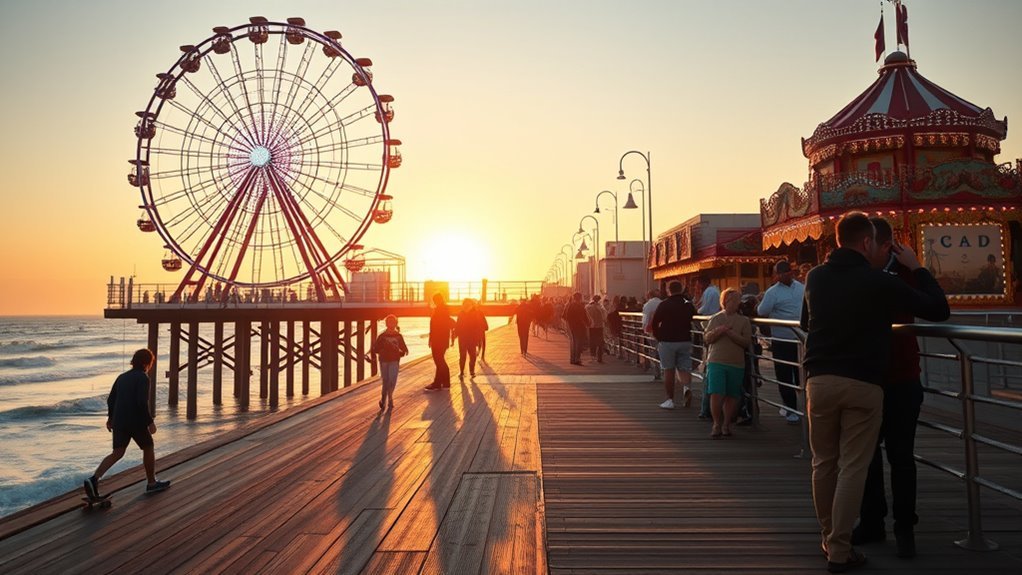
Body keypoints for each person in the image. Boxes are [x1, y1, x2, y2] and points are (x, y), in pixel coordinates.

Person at [800, 211, 949, 573]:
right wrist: (917, 267)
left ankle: (830, 536)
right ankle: (840, 547)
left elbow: (806, 323)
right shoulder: (877, 281)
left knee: (823, 463)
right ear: (867, 242)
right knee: (854, 465)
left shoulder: (815, 277)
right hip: (864, 382)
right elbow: (937, 309)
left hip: (819, 381)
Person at [853, 218, 928, 558]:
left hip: (899, 377)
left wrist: (916, 267)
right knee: (868, 458)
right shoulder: (855, 276)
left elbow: (935, 307)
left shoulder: (901, 275)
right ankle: (873, 520)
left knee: (901, 457)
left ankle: (904, 526)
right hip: (870, 378)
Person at [84, 348, 170, 500]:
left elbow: (111, 399)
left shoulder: (121, 377)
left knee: (117, 452)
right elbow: (141, 403)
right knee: (148, 447)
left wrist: (110, 418)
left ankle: (94, 479)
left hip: (119, 420)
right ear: (146, 363)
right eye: (150, 363)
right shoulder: (143, 377)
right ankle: (151, 483)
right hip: (135, 420)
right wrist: (150, 422)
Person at [758, 260, 805, 424]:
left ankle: (803, 407)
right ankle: (791, 408)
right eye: (780, 273)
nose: (784, 275)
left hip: (800, 338)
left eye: (787, 272)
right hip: (782, 339)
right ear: (777, 275)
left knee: (801, 375)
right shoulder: (773, 292)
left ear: (791, 273)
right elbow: (762, 311)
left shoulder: (802, 287)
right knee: (784, 375)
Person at [703, 288, 751, 438]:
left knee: (732, 395)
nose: (737, 303)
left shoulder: (744, 321)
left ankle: (726, 424)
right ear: (725, 301)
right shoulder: (716, 318)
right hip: (717, 360)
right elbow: (707, 338)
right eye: (733, 300)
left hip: (736, 362)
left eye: (738, 300)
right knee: (716, 393)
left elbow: (746, 342)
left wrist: (730, 333)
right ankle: (717, 423)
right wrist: (719, 331)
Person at [650, 281, 696, 410]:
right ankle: (687, 388)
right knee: (684, 368)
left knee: (668, 369)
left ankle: (670, 400)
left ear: (668, 290)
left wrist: (659, 337)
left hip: (667, 341)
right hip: (685, 339)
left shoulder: (664, 304)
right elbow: (695, 317)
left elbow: (654, 323)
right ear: (681, 289)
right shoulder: (688, 304)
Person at [370, 314, 409, 410]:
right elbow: (375, 348)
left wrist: (401, 352)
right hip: (384, 360)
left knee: (392, 381)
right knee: (385, 381)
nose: (391, 324)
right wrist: (381, 349)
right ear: (386, 324)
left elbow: (404, 349)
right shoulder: (382, 336)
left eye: (393, 322)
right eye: (389, 322)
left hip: (394, 360)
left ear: (396, 323)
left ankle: (390, 397)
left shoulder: (398, 336)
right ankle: (383, 400)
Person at [424, 293, 455, 391]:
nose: (435, 302)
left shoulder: (442, 309)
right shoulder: (441, 309)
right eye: (435, 300)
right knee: (439, 361)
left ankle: (442, 382)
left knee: (439, 361)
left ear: (440, 299)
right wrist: (431, 339)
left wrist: (433, 339)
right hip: (439, 339)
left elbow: (441, 324)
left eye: (436, 300)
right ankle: (441, 383)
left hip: (439, 340)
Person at [454, 298, 487, 379]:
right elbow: (457, 325)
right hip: (462, 338)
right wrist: (454, 335)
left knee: (472, 356)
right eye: (465, 305)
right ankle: (461, 372)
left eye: (468, 305)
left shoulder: (475, 313)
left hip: (472, 338)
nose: (466, 306)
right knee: (462, 355)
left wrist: (478, 336)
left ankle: (471, 371)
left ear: (472, 305)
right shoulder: (461, 313)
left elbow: (480, 326)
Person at [640, 289, 663, 380]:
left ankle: (657, 371)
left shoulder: (647, 305)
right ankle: (663, 368)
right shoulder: (662, 303)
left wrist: (643, 328)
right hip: (663, 330)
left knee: (654, 351)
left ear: (649, 296)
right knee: (661, 350)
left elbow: (645, 318)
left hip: (652, 330)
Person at [563, 292, 589, 365]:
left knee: (573, 342)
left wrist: (570, 324)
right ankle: (577, 359)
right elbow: (585, 317)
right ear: (580, 298)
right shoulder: (580, 306)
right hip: (580, 327)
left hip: (572, 326)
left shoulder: (570, 306)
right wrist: (588, 324)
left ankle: (572, 359)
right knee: (578, 343)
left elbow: (566, 316)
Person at [585, 295, 607, 363]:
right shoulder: (601, 307)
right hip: (599, 326)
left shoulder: (588, 307)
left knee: (592, 342)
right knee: (600, 342)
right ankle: (599, 357)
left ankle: (593, 356)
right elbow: (605, 316)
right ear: (599, 300)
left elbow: (586, 315)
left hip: (591, 327)